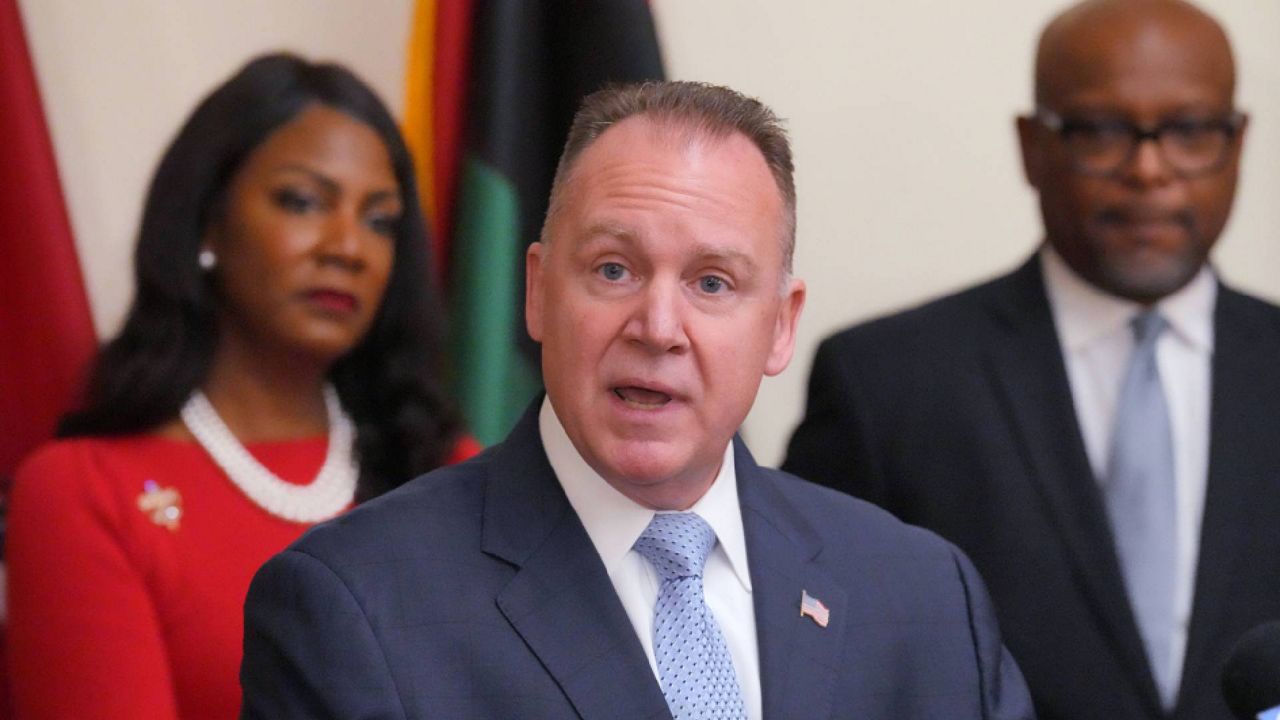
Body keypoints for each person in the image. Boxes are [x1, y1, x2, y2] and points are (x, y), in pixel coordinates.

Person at [239, 80, 1034, 719]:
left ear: (781, 327)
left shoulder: (926, 596)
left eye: (712, 283)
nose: (658, 327)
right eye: (614, 269)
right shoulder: (356, 607)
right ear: (538, 292)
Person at [783, 1, 1280, 718]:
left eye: (1191, 131)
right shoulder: (886, 385)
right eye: (1102, 131)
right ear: (1031, 146)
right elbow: (821, 666)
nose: (1149, 169)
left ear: (1237, 144)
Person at [5, 53, 476, 719]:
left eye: (380, 221)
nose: (349, 247)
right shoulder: (86, 494)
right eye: (304, 202)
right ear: (207, 223)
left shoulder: (447, 472)